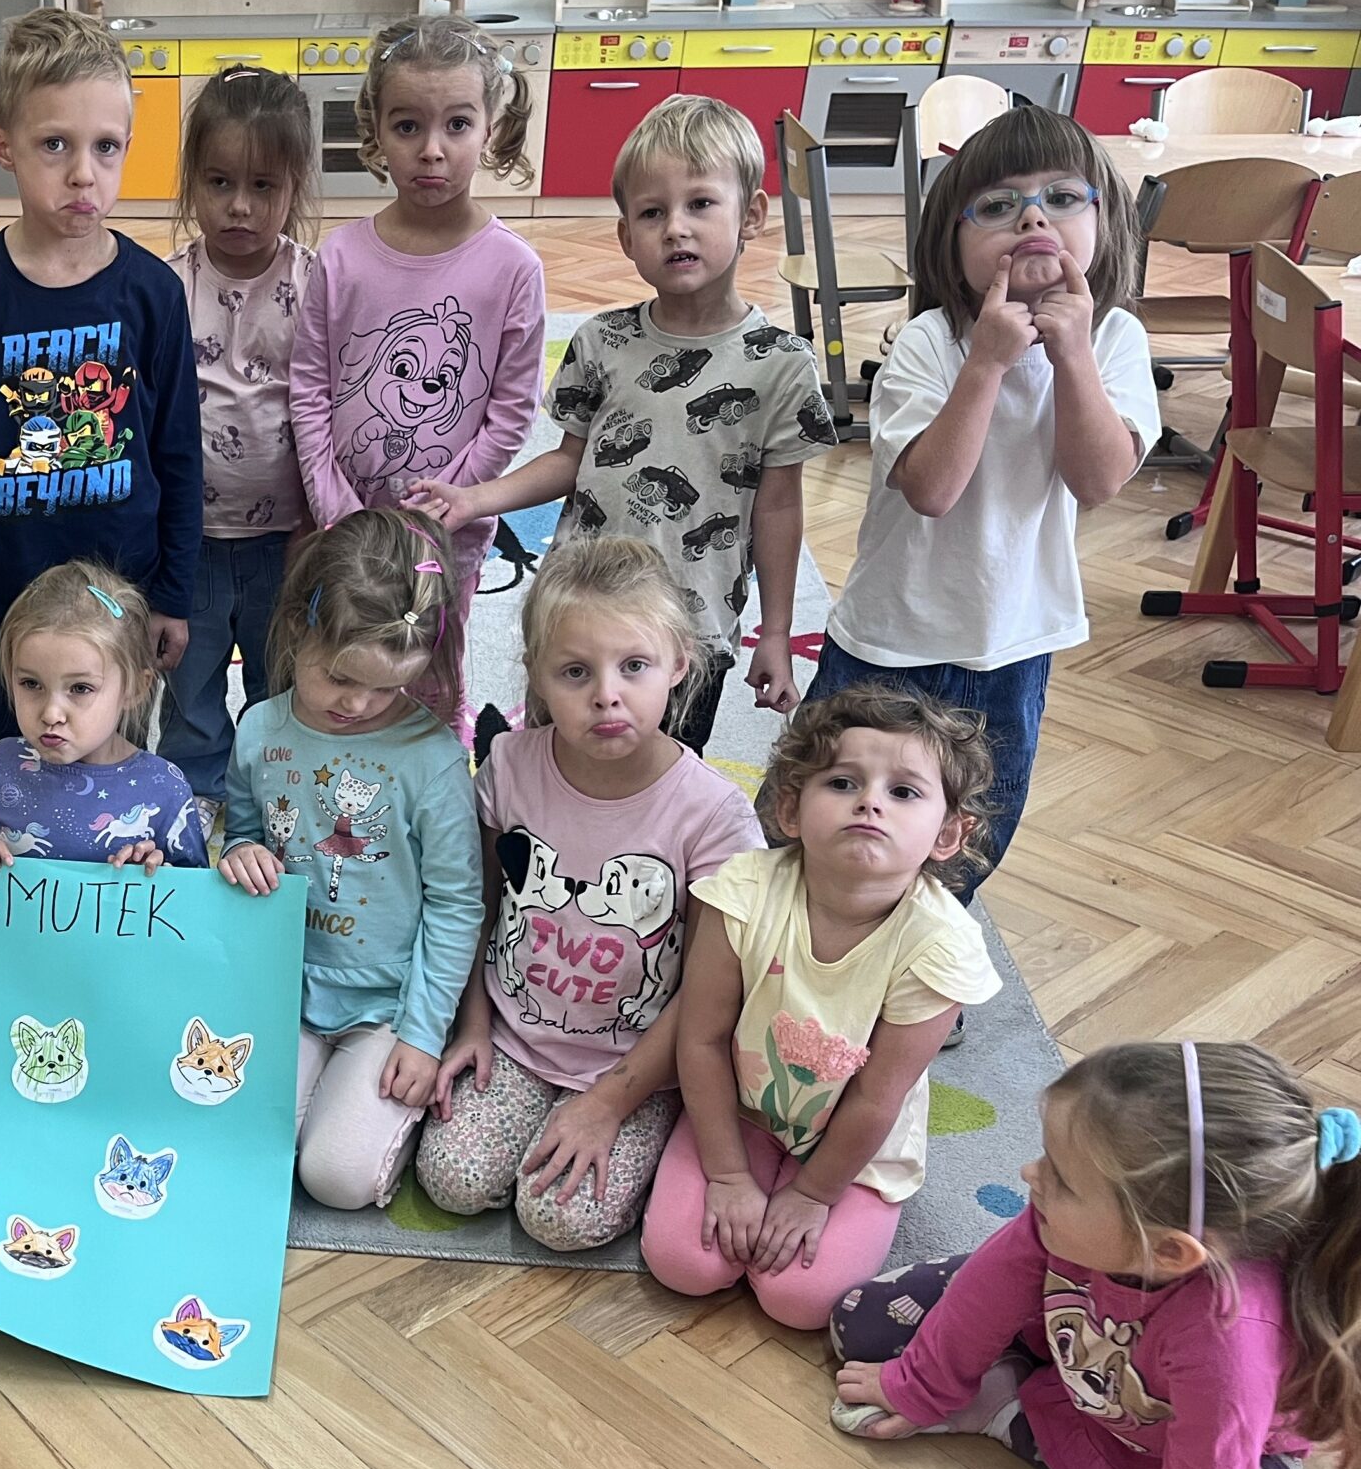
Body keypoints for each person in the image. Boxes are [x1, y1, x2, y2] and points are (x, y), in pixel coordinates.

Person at [833, 1043, 1361, 1469]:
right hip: (1081, 1329)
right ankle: (1014, 1393)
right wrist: (923, 1386)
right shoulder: (1073, 1222)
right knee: (859, 1321)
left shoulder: (1229, 1347)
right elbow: (995, 1280)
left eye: (1061, 1179)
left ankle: (1011, 1410)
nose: (1030, 1174)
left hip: (1187, 1438)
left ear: (1169, 1250)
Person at [406, 94, 833, 751]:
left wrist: (774, 632)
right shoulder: (602, 341)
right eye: (653, 212)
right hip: (578, 614)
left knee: (663, 779)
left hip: (689, 631)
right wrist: (474, 499)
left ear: (751, 214)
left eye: (700, 203)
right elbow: (569, 459)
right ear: (627, 237)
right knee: (552, 764)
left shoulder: (781, 364)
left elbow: (778, 508)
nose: (676, 228)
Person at [803, 106, 1156, 899]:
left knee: (964, 842)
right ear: (951, 244)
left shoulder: (1114, 342)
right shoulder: (930, 343)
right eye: (998, 206)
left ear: (1105, 222)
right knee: (823, 818)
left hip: (1013, 644)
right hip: (891, 640)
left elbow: (1098, 480)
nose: (1033, 218)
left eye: (1062, 198)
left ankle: (920, 952)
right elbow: (932, 490)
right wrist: (988, 363)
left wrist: (1071, 355)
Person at [419, 539, 762, 1246]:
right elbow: (478, 908)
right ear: (537, 678)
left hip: (639, 1064)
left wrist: (609, 1102)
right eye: (575, 671)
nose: (607, 693)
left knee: (561, 1217)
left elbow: (709, 997)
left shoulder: (715, 817)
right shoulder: (508, 765)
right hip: (514, 1036)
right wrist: (472, 1025)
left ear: (679, 663)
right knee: (453, 1181)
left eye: (634, 666)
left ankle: (650, 1134)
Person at [641, 685, 1005, 1328]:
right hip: (744, 1112)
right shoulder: (742, 892)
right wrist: (727, 1174)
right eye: (842, 783)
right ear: (790, 807)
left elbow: (877, 1098)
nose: (870, 802)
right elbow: (700, 1040)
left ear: (949, 833)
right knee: (685, 1264)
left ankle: (808, 1191)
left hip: (857, 1144)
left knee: (802, 1299)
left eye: (904, 792)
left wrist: (813, 1194)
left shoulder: (942, 946)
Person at [0, 7, 202, 740]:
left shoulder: (154, 292)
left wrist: (173, 593)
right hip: (0, 588)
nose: (84, 173)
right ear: (3, 147)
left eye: (105, 147)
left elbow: (177, 450)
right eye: (55, 144)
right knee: (17, 754)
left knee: (116, 755)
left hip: (123, 594)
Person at [215, 506, 481, 1211]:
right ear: (295, 629)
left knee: (333, 1178)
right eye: (339, 676)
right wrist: (240, 851)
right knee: (238, 1147)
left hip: (389, 1004)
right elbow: (244, 830)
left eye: (388, 687)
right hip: (286, 988)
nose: (359, 703)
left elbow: (457, 904)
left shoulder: (433, 760)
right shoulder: (259, 730)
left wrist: (423, 1035)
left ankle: (385, 1122)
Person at [289, 14, 545, 734]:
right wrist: (333, 502)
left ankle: (436, 778)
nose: (432, 150)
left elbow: (511, 413)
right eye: (407, 126)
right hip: (344, 522)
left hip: (449, 532)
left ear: (490, 129)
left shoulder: (514, 268)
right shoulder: (341, 257)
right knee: (340, 667)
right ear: (376, 132)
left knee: (432, 674)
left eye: (457, 125)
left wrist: (448, 503)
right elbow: (308, 388)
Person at [158, 64, 319, 800]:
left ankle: (271, 795)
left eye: (263, 186)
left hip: (283, 538)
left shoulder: (315, 282)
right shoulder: (166, 286)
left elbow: (328, 407)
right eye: (219, 182)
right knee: (188, 686)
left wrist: (318, 520)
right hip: (188, 540)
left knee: (277, 681)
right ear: (192, 180)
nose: (240, 206)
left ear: (295, 186)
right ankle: (194, 797)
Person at [0, 563, 205, 872]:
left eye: (80, 688)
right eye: (31, 683)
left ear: (134, 688)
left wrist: (158, 870)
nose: (51, 713)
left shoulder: (165, 788)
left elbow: (196, 889)